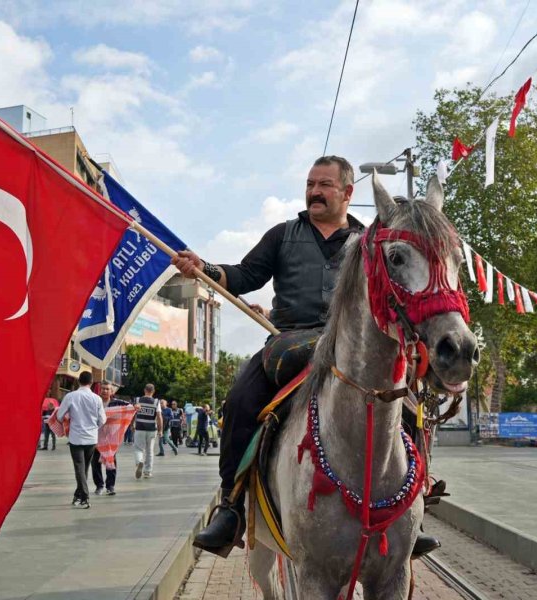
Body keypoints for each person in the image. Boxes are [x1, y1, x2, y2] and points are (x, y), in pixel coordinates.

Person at [175, 156, 409, 556]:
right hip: (287, 345)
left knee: (408, 402)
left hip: (352, 349)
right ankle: (231, 508)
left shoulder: (372, 241)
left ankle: (412, 503)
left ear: (348, 193)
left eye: (325, 185)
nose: (314, 191)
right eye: (310, 183)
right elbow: (245, 275)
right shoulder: (282, 235)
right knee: (239, 402)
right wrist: (205, 268)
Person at [56, 371, 106, 508]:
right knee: (83, 469)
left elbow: (60, 416)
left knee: (79, 467)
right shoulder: (97, 399)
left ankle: (84, 497)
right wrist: (93, 427)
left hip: (76, 437)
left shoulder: (70, 396)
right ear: (91, 383)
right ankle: (77, 496)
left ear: (79, 381)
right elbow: (103, 420)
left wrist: (69, 420)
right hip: (91, 438)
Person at [92, 382, 128, 496]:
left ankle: (110, 486)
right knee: (95, 462)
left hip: (111, 438)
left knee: (111, 460)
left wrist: (136, 407)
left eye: (107, 389)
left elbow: (129, 407)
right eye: (103, 389)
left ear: (111, 392)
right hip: (96, 436)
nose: (105, 391)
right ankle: (99, 485)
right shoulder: (94, 402)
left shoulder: (117, 403)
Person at [133, 384, 163, 479]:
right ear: (153, 391)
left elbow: (133, 413)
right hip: (151, 429)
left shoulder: (137, 400)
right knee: (150, 451)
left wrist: (132, 425)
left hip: (139, 428)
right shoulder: (156, 402)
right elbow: (159, 417)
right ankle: (147, 472)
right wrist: (160, 430)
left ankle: (139, 462)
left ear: (144, 390)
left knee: (138, 448)